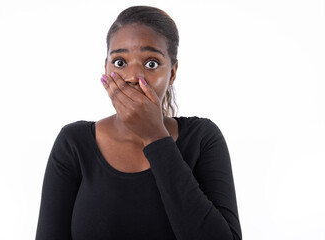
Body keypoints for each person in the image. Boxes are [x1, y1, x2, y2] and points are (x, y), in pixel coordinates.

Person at [35, 5, 242, 240]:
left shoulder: (203, 138)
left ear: (172, 73)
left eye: (151, 63)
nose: (133, 77)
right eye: (120, 62)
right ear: (105, 68)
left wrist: (155, 137)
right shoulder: (74, 143)